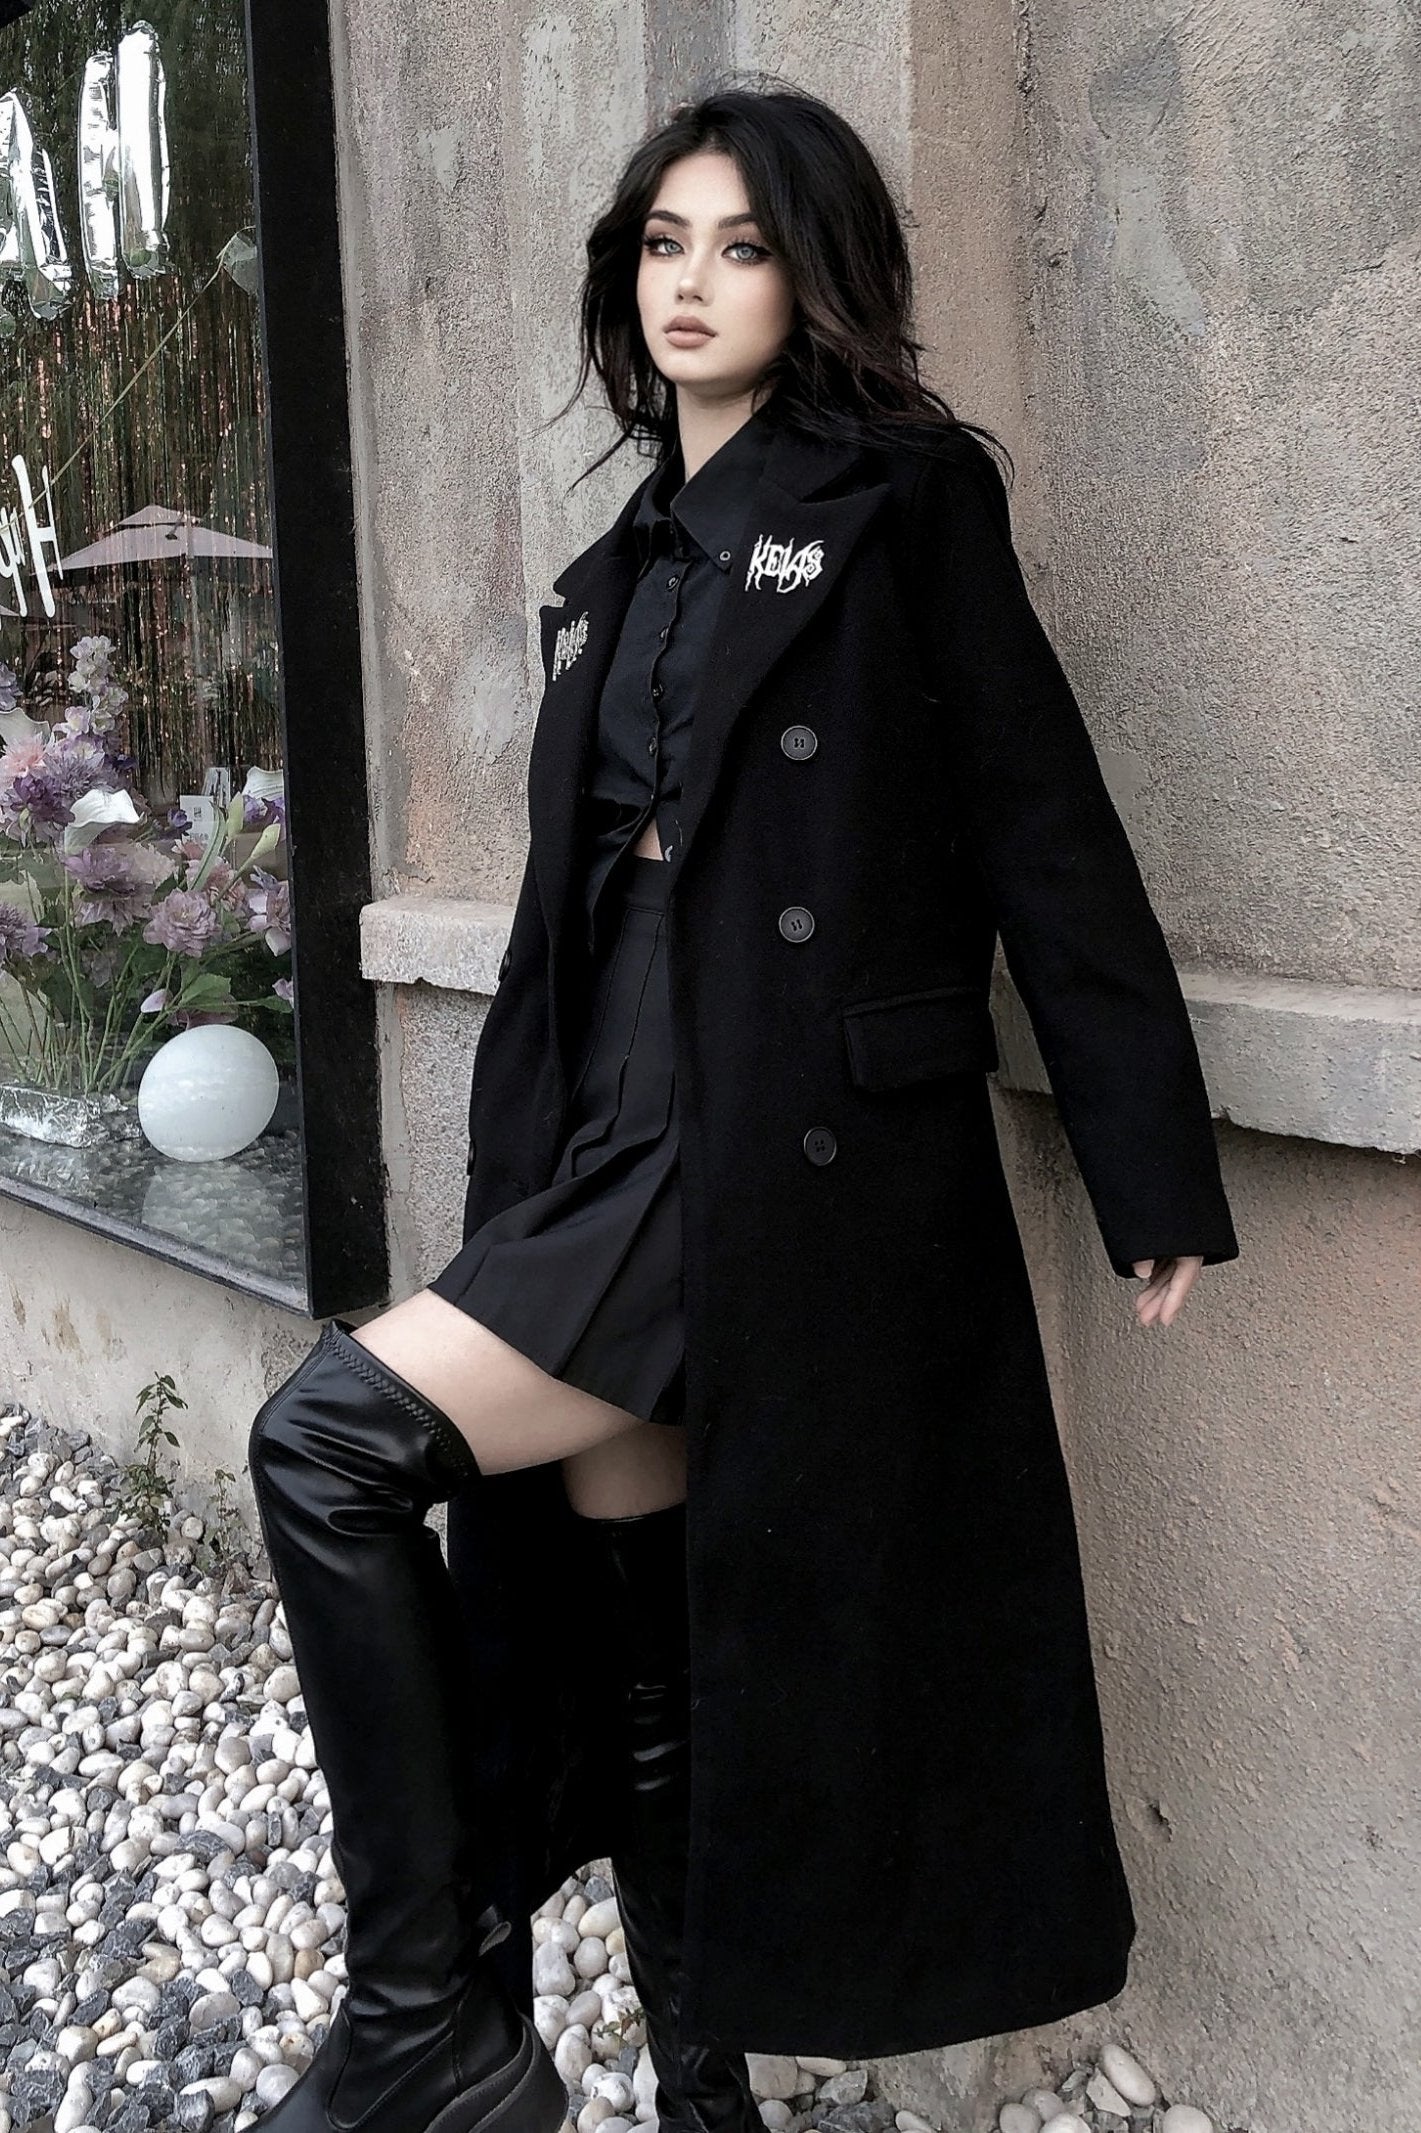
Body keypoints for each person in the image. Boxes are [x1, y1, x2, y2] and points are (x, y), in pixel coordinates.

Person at [246, 78, 1239, 2133]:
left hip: (773, 1155)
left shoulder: (901, 502)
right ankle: (705, 2098)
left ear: (815, 277)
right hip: (603, 1140)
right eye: (662, 243)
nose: (690, 282)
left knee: (325, 1441)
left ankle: (430, 2020)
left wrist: (1146, 1156)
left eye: (744, 246)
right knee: (647, 1639)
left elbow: (1043, 825)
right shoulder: (619, 566)